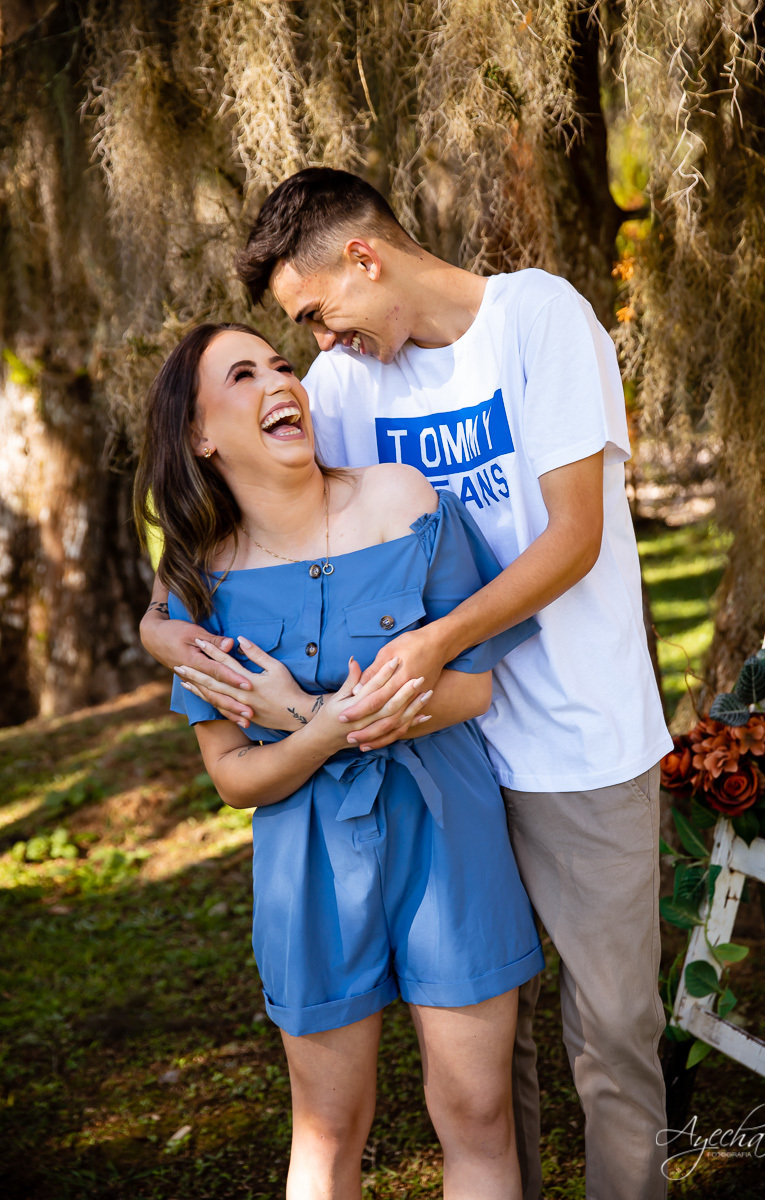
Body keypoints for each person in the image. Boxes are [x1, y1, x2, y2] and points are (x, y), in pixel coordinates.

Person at [140, 170, 674, 1199]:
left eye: (313, 314)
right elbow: (266, 527)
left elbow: (572, 538)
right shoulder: (345, 386)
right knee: (486, 1069)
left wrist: (433, 648)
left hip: (578, 741)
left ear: (365, 260)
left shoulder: (538, 319)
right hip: (448, 762)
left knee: (611, 1035)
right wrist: (161, 632)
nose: (316, 347)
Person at [134, 321, 546, 1199]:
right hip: (307, 867)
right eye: (241, 375)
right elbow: (234, 775)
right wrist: (322, 732)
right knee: (327, 1128)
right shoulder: (201, 587)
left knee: (477, 1112)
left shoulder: (402, 499)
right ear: (200, 436)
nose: (280, 381)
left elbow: (471, 689)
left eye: (281, 364)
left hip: (449, 841)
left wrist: (307, 713)